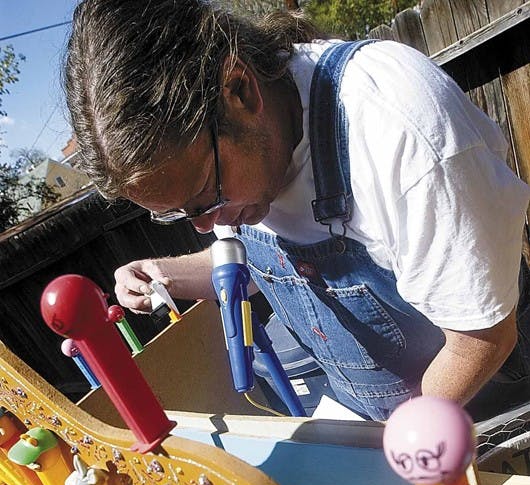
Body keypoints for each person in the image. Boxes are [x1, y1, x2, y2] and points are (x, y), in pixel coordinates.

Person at [64, 0, 530, 421]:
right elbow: (249, 266)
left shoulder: (397, 129)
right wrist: (164, 272)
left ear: (240, 90)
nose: (207, 224)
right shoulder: (241, 180)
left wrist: (404, 437)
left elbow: (482, 338)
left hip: (481, 391)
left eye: (206, 195)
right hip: (377, 414)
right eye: (182, 213)